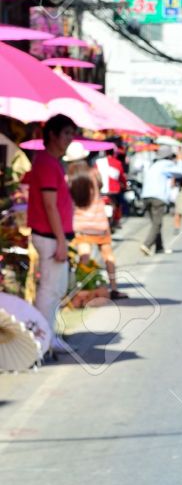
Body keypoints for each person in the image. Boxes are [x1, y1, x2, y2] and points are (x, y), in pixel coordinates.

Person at [23, 115, 76, 354]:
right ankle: (42, 338)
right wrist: (61, 241)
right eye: (66, 133)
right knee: (49, 288)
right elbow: (49, 205)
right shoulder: (45, 163)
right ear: (53, 135)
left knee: (55, 288)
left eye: (71, 134)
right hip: (50, 236)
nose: (69, 139)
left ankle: (48, 335)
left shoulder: (52, 162)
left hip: (54, 235)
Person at [69, 167, 125, 300]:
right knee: (108, 255)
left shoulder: (70, 177)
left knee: (84, 257)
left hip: (80, 222)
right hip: (99, 222)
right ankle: (114, 288)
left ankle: (84, 289)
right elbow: (100, 185)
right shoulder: (94, 173)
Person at [139, 146, 182, 256]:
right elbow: (181, 172)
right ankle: (147, 244)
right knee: (157, 223)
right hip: (157, 197)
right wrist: (180, 160)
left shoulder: (153, 165)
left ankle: (159, 247)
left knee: (155, 222)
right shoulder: (166, 164)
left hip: (146, 196)